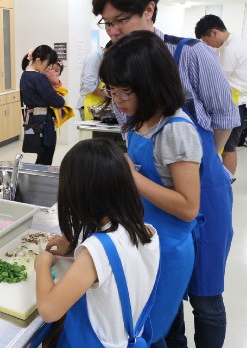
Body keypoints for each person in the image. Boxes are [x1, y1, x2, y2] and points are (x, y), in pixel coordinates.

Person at [92, 1, 237, 346]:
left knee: (205, 295)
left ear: (148, 10)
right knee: (163, 301)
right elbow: (131, 131)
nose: (114, 30)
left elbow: (223, 119)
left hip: (202, 184)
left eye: (121, 20)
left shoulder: (190, 53)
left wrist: (197, 161)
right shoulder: (118, 67)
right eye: (106, 23)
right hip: (158, 199)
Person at [99, 30, 202, 346]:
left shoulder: (176, 130)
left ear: (151, 84)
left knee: (148, 332)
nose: (116, 101)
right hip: (143, 239)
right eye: (111, 91)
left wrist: (133, 178)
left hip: (168, 249)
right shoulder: (140, 119)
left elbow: (188, 207)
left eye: (123, 92)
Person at [34, 138, 160, 347]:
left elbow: (48, 310)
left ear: (79, 194)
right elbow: (117, 266)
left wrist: (43, 264)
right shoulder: (146, 232)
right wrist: (75, 245)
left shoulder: (95, 252)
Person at [195, 14, 247, 175]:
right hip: (235, 101)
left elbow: (218, 80)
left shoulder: (231, 49)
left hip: (236, 103)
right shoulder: (232, 44)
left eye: (205, 40)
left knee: (228, 148)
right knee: (227, 147)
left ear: (214, 32)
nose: (206, 44)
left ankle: (226, 184)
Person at [20, 45, 65, 165]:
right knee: (46, 154)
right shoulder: (38, 77)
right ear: (38, 60)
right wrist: (60, 97)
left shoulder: (25, 75)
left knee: (41, 154)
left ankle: (36, 179)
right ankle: (40, 181)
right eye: (48, 65)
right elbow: (58, 102)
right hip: (44, 122)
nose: (49, 68)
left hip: (32, 120)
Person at [76, 41, 113, 120]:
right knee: (90, 132)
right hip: (89, 105)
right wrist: (110, 99)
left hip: (100, 104)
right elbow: (90, 86)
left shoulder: (105, 59)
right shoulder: (94, 58)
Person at [45, 61, 74, 131]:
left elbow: (57, 86)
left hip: (55, 98)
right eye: (51, 69)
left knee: (59, 105)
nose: (53, 72)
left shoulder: (55, 79)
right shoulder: (43, 78)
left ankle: (57, 121)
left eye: (56, 71)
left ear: (59, 73)